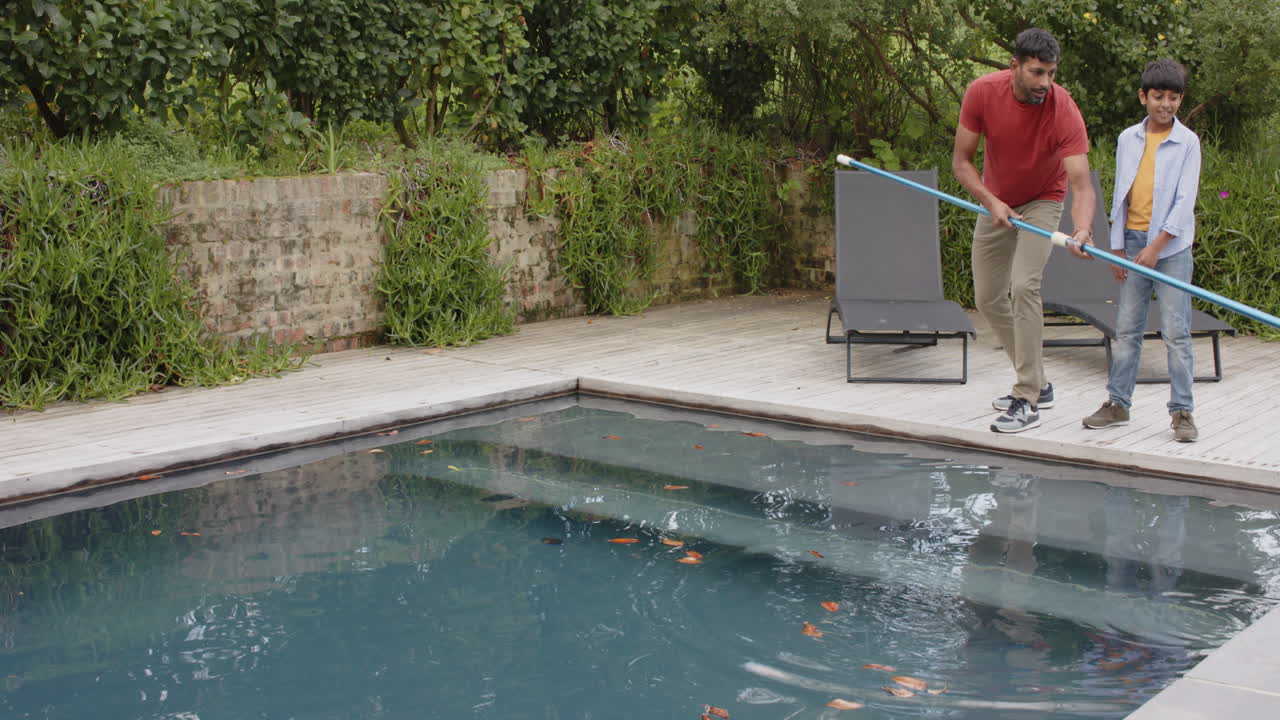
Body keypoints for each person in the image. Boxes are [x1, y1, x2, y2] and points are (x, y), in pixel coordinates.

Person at [952, 28, 1096, 434]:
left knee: (1024, 286)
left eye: (1051, 74)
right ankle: (1040, 382)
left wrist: (1082, 228)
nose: (1045, 84)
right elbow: (962, 163)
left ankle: (1028, 397)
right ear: (1014, 66)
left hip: (1043, 200)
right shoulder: (982, 93)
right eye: (1037, 73)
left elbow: (1081, 183)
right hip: (995, 199)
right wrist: (990, 201)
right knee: (987, 297)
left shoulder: (1062, 107)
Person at [1082, 59, 1201, 442]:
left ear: (1180, 100)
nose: (1165, 104)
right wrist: (1117, 246)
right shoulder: (1127, 138)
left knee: (1176, 332)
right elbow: (1121, 193)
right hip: (1131, 243)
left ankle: (1182, 412)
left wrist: (1156, 247)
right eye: (1158, 96)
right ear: (1143, 96)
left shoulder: (1188, 143)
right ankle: (1118, 403)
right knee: (1128, 329)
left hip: (1171, 248)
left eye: (1173, 97)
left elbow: (1185, 203)